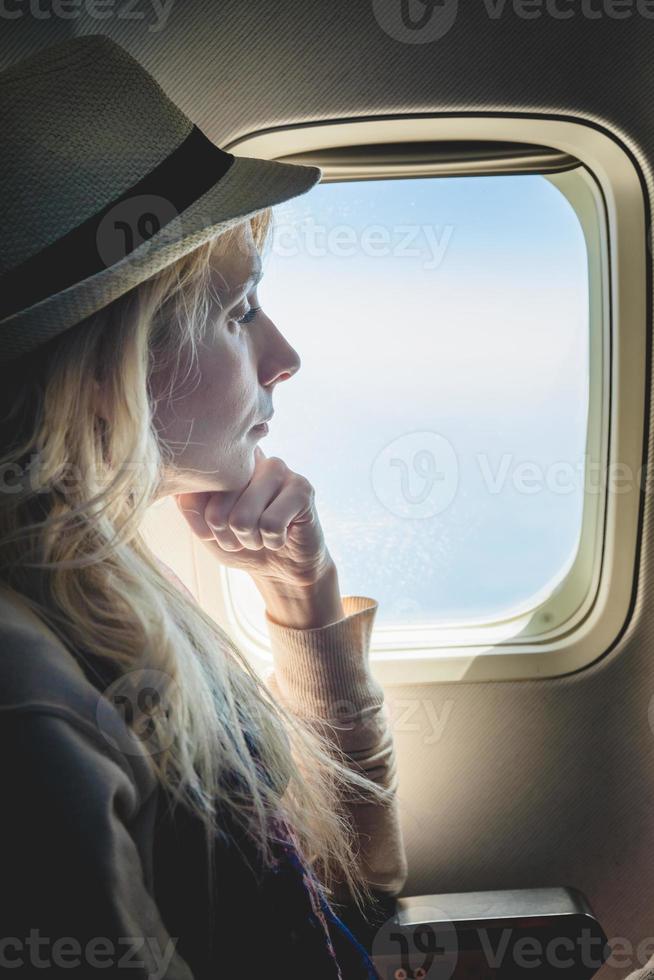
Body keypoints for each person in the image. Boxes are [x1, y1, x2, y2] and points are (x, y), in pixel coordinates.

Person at [0, 33, 408, 979]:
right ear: (114, 364)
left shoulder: (103, 584)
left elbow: (353, 889)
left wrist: (301, 599)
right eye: (240, 311)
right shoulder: (33, 701)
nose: (284, 356)